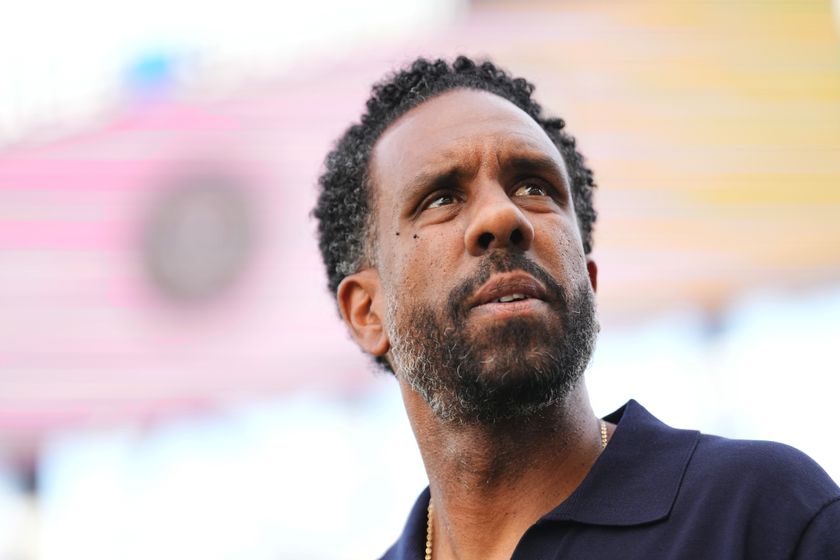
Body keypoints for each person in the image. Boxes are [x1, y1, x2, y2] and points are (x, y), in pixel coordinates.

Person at [313, 56, 840, 559]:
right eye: (442, 198)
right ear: (367, 312)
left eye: (533, 187)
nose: (503, 216)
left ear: (586, 280)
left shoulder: (763, 512)